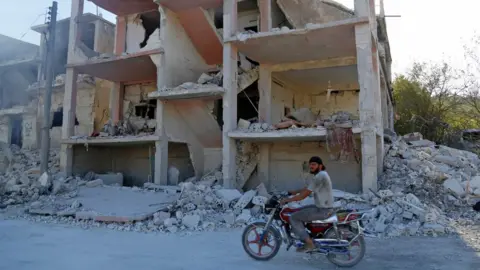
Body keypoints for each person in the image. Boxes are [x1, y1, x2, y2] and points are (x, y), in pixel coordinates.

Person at [280, 156, 334, 252]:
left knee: (293, 217)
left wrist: (287, 200)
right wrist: (293, 192)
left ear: (320, 166)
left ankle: (309, 243)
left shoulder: (320, 176)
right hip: (322, 207)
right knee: (300, 210)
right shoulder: (321, 175)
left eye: (314, 164)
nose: (311, 166)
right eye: (310, 165)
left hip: (323, 210)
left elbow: (304, 195)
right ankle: (307, 235)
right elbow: (307, 188)